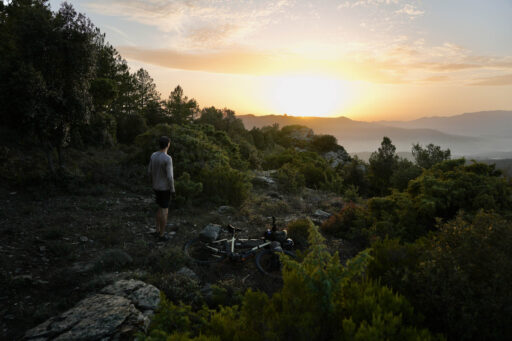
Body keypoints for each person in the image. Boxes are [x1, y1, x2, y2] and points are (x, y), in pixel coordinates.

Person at [148, 136, 175, 241]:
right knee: (164, 211)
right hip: (165, 189)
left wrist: (152, 183)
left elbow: (149, 171)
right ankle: (162, 235)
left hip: (156, 187)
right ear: (168, 144)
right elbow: (170, 177)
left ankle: (157, 230)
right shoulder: (167, 158)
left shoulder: (153, 155)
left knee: (159, 208)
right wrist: (172, 189)